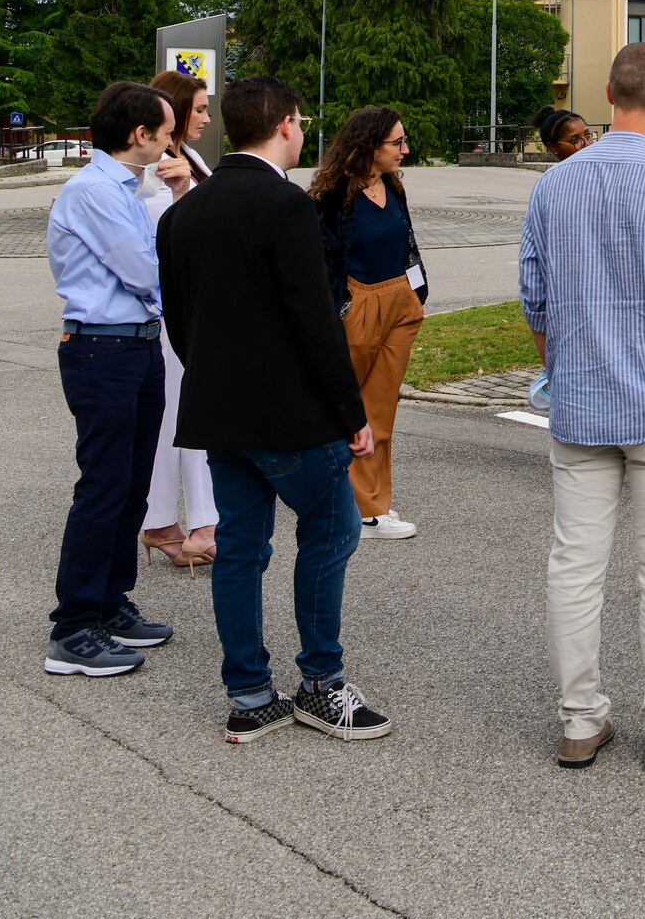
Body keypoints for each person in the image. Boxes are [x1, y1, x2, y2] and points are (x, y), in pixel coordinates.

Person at [157, 75, 388, 743]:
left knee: (240, 547)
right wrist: (351, 411)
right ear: (285, 124)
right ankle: (320, 680)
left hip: (217, 411)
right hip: (289, 415)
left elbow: (180, 322)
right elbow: (313, 321)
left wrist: (213, 378)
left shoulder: (182, 215)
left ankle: (251, 692)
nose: (304, 130)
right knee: (332, 528)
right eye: (301, 120)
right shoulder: (284, 208)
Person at [519, 43, 645, 774]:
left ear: (609, 92)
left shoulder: (554, 186)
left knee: (575, 562)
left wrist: (562, 365)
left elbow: (535, 298)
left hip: (580, 401)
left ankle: (581, 719)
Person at [43, 82, 184, 678]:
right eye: (167, 130)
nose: (174, 141)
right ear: (139, 135)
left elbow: (153, 258)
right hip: (102, 350)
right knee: (104, 484)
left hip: (135, 345)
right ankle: (73, 628)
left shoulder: (130, 187)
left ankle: (109, 601)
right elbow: (144, 269)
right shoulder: (96, 190)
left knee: (131, 482)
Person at [311, 108, 428, 541]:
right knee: (343, 406)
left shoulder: (393, 187)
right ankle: (333, 496)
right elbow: (321, 264)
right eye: (397, 142)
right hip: (356, 307)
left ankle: (371, 507)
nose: (405, 149)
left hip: (400, 303)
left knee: (380, 409)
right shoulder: (332, 195)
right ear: (369, 145)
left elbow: (407, 242)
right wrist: (341, 307)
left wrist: (415, 294)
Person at [138, 69, 218, 572]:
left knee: (181, 416)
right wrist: (183, 192)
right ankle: (194, 522)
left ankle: (169, 520)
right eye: (201, 109)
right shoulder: (161, 169)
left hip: (192, 302)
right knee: (185, 416)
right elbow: (163, 234)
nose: (208, 118)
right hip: (172, 309)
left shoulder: (189, 158)